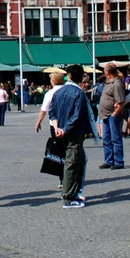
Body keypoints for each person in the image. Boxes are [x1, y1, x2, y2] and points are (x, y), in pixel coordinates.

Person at [49, 64, 95, 208]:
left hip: (62, 130)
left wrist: (57, 127)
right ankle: (68, 197)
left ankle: (73, 194)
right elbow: (77, 115)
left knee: (77, 161)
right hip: (74, 132)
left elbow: (52, 111)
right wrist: (65, 129)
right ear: (80, 77)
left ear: (69, 76)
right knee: (72, 163)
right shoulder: (78, 93)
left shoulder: (58, 92)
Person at [98, 66, 128, 169]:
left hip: (113, 114)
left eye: (104, 70)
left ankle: (119, 161)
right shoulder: (107, 82)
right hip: (105, 114)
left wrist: (116, 112)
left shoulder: (117, 83)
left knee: (115, 138)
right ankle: (109, 160)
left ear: (107, 71)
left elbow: (121, 100)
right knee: (106, 138)